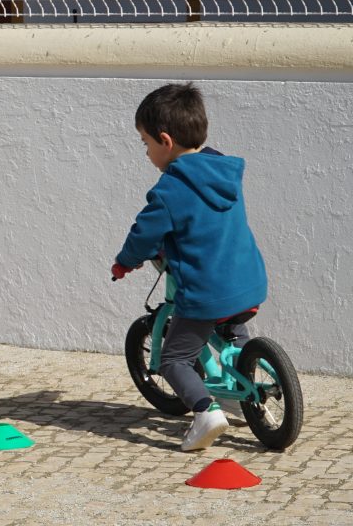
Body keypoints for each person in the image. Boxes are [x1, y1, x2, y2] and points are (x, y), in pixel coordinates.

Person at [112, 83, 267, 451]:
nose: (146, 152)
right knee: (232, 329)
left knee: (174, 360)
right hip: (248, 281)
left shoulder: (170, 190)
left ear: (165, 141)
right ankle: (238, 393)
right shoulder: (223, 171)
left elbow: (144, 235)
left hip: (207, 291)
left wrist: (125, 263)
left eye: (145, 143)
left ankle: (205, 411)